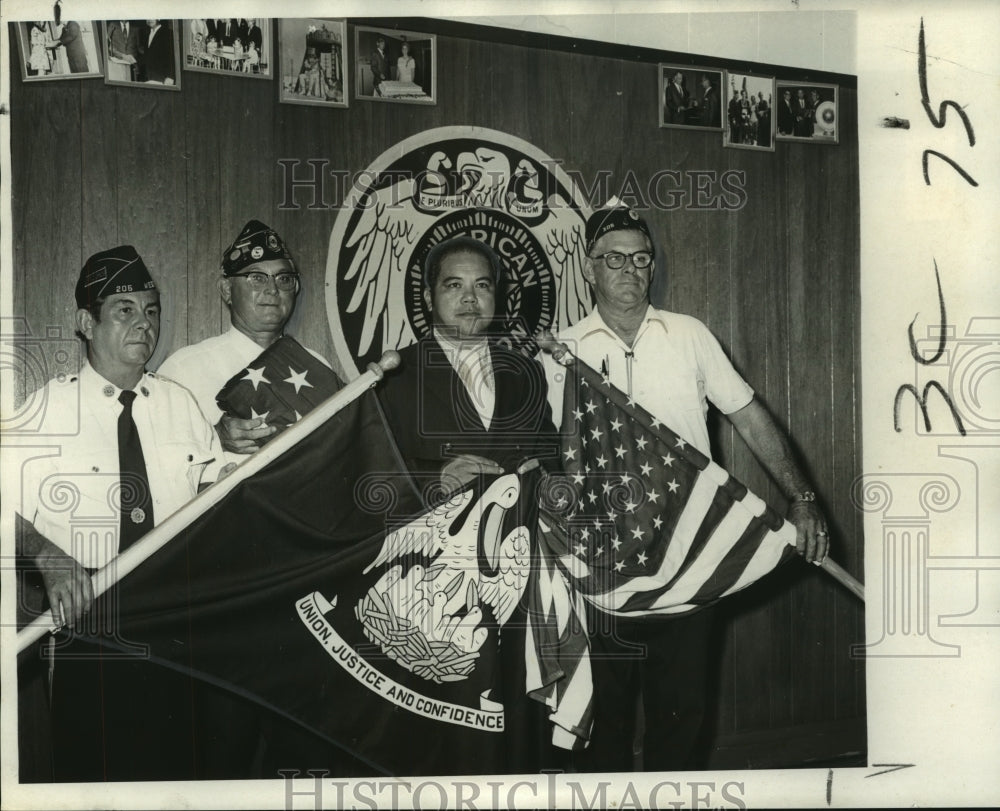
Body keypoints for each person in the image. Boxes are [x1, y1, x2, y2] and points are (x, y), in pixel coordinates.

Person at [542, 204, 830, 773]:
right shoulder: (560, 351)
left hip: (688, 556)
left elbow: (749, 416)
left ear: (653, 266)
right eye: (613, 259)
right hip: (601, 566)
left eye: (640, 258)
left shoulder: (689, 334)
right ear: (589, 268)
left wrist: (801, 498)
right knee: (604, 726)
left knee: (681, 721)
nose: (629, 269)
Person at [16, 245, 229, 781]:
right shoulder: (46, 412)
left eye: (152, 310)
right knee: (95, 774)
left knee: (180, 772)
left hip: (177, 616)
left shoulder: (182, 405)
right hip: (89, 618)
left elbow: (215, 503)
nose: (144, 323)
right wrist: (48, 556)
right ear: (86, 323)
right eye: (125, 310)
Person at [377, 236, 559, 772]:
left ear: (497, 296)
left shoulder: (525, 371)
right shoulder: (393, 373)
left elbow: (553, 456)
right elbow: (366, 473)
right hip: (433, 589)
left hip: (516, 580)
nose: (469, 299)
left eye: (482, 286)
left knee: (514, 727)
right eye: (453, 285)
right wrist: (432, 480)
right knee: (442, 738)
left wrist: (546, 478)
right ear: (428, 296)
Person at [157, 219, 330, 459]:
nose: (273, 289)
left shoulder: (314, 365)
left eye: (284, 278)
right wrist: (215, 438)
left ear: (295, 288)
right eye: (257, 278)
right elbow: (152, 455)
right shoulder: (183, 370)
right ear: (227, 290)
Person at [139, 19, 174, 85]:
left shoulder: (167, 32)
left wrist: (170, 76)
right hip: (149, 77)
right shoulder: (147, 34)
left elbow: (171, 55)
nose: (150, 20)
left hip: (163, 77)